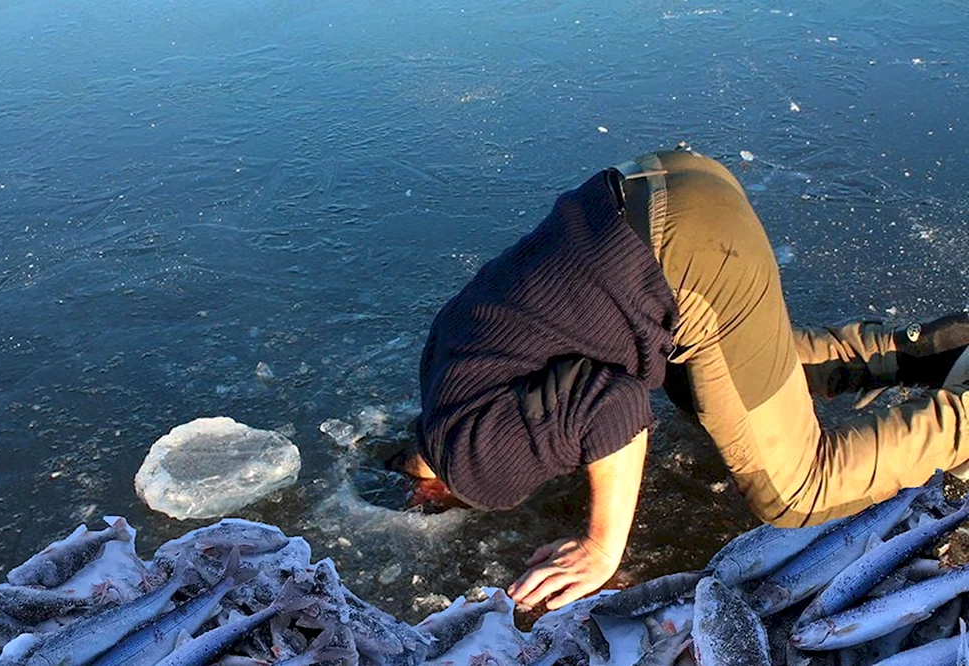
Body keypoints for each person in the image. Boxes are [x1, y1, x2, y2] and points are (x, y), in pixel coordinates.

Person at [401, 145, 969, 612]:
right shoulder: (441, 381)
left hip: (689, 255)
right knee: (698, 379)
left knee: (794, 491)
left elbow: (617, 409)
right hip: (664, 187)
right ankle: (933, 355)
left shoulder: (475, 467)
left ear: (435, 489)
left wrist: (602, 545)